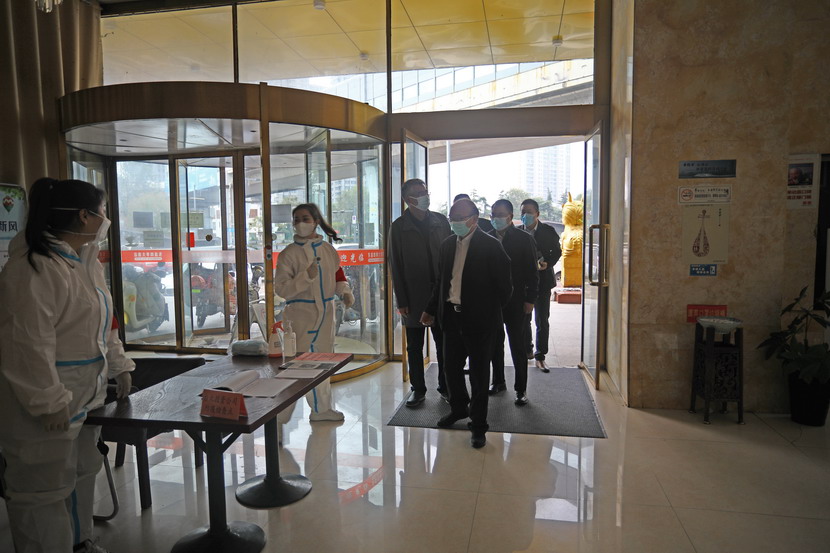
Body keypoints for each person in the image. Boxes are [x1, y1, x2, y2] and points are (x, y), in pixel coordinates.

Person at [0, 178, 135, 553]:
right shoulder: (33, 269)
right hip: (44, 405)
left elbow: (104, 323)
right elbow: (26, 344)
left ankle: (79, 543)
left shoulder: (84, 262)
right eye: (102, 211)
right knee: (42, 492)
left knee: (81, 473)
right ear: (84, 216)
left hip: (84, 395)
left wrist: (119, 365)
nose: (105, 218)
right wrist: (47, 400)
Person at [421, 199, 512, 448]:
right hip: (451, 317)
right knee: (450, 369)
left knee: (480, 375)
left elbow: (505, 288)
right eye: (452, 217)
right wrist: (430, 310)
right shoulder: (447, 245)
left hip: (480, 320)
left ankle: (479, 424)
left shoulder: (491, 246)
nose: (455, 222)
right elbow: (442, 282)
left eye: (460, 218)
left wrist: (488, 312)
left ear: (474, 218)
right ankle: (459, 408)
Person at [274, 203, 355, 422]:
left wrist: (345, 292)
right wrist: (305, 277)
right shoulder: (289, 254)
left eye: (305, 218)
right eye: (296, 219)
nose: (300, 223)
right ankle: (280, 413)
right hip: (300, 313)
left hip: (326, 313)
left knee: (324, 362)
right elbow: (281, 289)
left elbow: (338, 275)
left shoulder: (328, 250)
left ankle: (321, 410)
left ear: (316, 221)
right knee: (296, 364)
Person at [389, 178, 451, 407]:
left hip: (441, 295)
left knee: (444, 345)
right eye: (418, 193)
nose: (425, 196)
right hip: (413, 297)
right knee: (414, 347)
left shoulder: (440, 221)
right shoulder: (399, 227)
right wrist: (401, 300)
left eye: (425, 191)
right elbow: (396, 265)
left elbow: (450, 255)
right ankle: (418, 389)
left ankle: (446, 387)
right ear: (408, 199)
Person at [487, 199, 538, 405]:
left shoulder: (523, 239)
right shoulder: (486, 238)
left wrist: (530, 300)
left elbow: (532, 273)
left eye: (500, 215)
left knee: (517, 345)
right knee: (495, 344)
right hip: (493, 302)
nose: (496, 219)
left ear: (510, 217)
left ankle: (521, 389)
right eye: (493, 215)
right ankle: (498, 381)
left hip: (517, 302)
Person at [519, 199, 562, 373]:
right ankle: (527, 349)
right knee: (524, 319)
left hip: (543, 281)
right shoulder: (517, 232)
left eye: (529, 212)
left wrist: (548, 263)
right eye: (523, 212)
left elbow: (557, 252)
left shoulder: (548, 231)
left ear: (537, 214)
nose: (525, 215)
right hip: (523, 283)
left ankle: (540, 354)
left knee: (542, 320)